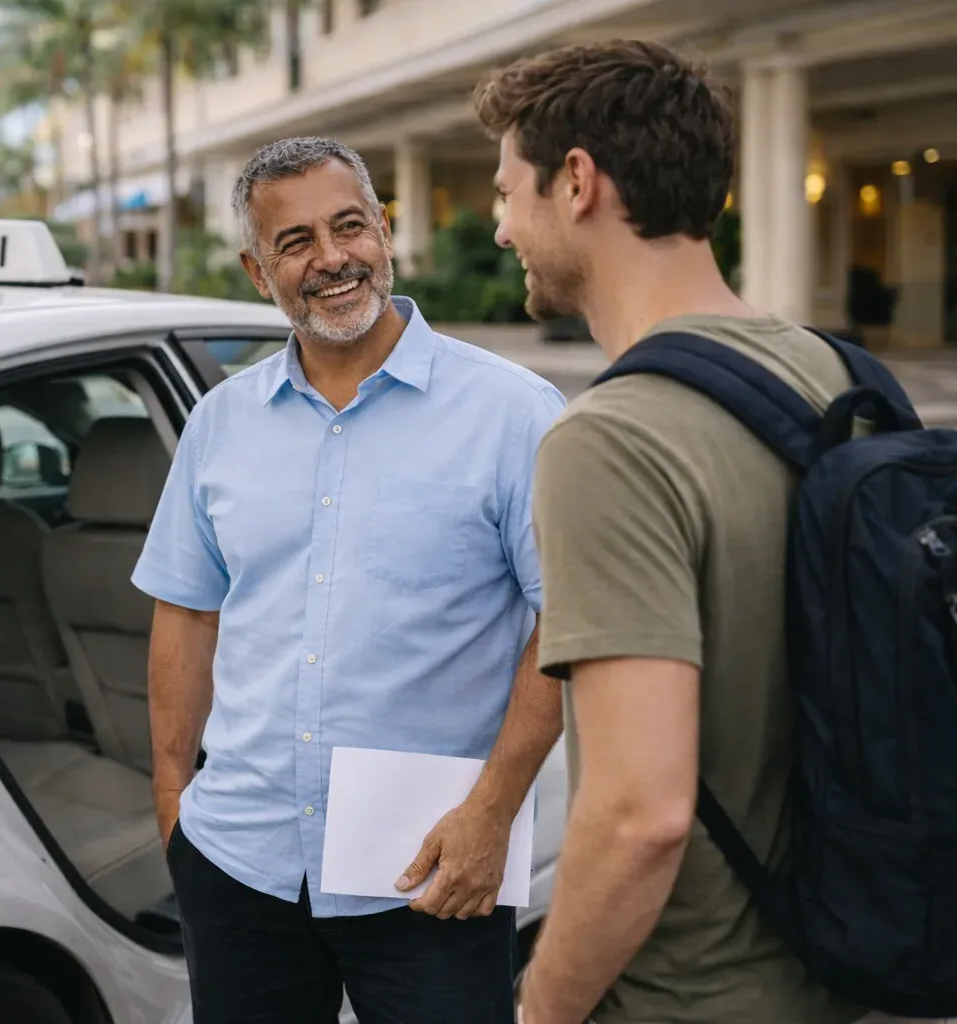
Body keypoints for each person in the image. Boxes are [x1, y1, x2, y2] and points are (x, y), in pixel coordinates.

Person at [476, 39, 914, 1024]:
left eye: (508, 193)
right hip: (849, 960)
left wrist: (539, 1011)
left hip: (693, 994)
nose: (501, 227)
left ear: (577, 182)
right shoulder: (848, 379)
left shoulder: (609, 442)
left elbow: (640, 818)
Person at [131, 136, 567, 1023]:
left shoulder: (514, 414)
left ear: (385, 232)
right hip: (239, 864)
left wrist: (491, 814)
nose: (331, 259)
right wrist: (177, 812)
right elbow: (185, 615)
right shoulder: (220, 424)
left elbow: (567, 623)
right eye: (295, 243)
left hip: (435, 873)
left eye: (349, 226)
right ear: (260, 273)